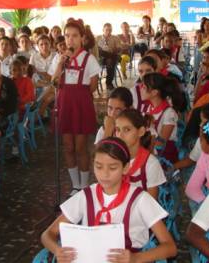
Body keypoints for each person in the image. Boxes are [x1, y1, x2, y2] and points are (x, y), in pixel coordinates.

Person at [41, 137, 177, 262]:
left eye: (112, 167)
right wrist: (57, 250)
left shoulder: (139, 200)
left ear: (125, 168)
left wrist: (135, 258)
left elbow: (170, 248)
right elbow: (48, 234)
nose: (104, 174)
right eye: (98, 166)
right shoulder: (86, 196)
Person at [49, 21, 100, 196]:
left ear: (82, 38)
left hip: (81, 105)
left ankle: (85, 185)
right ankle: (75, 184)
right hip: (64, 105)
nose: (70, 40)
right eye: (67, 36)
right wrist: (60, 64)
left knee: (80, 147)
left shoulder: (89, 58)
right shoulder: (59, 58)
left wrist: (79, 95)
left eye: (75, 36)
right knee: (68, 146)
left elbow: (93, 86)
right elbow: (54, 82)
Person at [116, 109, 166, 199]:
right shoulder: (114, 158)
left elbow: (151, 204)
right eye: (118, 130)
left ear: (141, 131)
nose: (120, 135)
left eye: (126, 130)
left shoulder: (150, 164)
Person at [141, 72, 186, 162]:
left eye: (144, 87)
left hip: (163, 158)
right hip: (150, 152)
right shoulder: (149, 107)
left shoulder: (169, 113)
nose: (141, 89)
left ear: (154, 92)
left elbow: (160, 144)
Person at [96, 23, 122, 90]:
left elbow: (119, 48)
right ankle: (109, 83)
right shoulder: (98, 38)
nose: (108, 32)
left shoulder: (115, 38)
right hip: (101, 58)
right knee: (102, 52)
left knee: (110, 61)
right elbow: (95, 50)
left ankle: (109, 83)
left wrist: (115, 49)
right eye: (107, 30)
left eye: (110, 30)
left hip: (112, 58)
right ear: (103, 30)